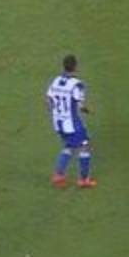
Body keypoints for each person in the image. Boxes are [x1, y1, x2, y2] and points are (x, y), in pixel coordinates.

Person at [46, 55, 96, 189]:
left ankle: (58, 175)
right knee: (85, 146)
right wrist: (88, 110)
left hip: (58, 122)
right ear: (75, 66)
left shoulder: (55, 81)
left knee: (68, 145)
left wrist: (56, 113)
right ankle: (84, 179)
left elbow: (49, 100)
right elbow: (80, 105)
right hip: (72, 123)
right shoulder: (76, 85)